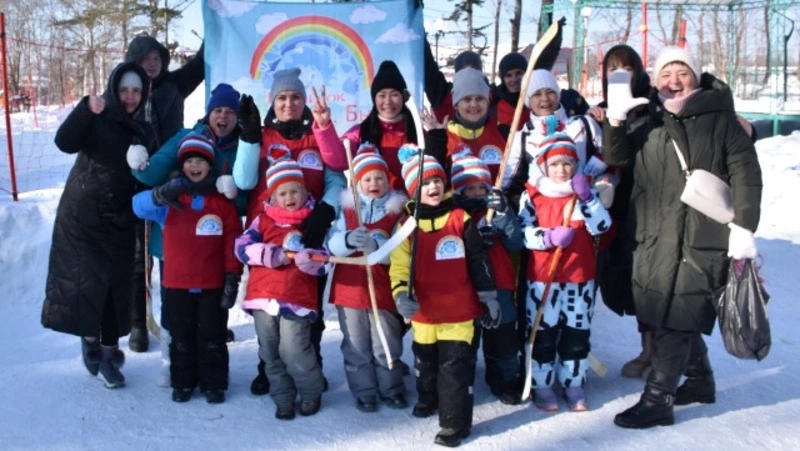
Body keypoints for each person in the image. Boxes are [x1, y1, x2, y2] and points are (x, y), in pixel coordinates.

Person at [604, 46, 762, 429]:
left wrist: (743, 229)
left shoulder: (721, 119)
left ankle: (658, 399)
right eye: (666, 74)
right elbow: (618, 157)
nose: (674, 82)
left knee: (679, 314)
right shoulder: (648, 117)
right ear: (655, 79)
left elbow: (746, 175)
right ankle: (701, 380)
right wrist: (615, 118)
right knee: (662, 311)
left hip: (701, 233)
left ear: (696, 76)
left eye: (682, 73)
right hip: (655, 232)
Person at [41, 62, 156, 388]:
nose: (131, 97)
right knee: (88, 286)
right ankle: (89, 339)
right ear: (113, 90)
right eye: (124, 90)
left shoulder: (144, 131)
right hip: (82, 219)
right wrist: (84, 109)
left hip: (120, 219)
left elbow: (148, 177)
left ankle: (108, 354)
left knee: (115, 291)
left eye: (137, 91)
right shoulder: (98, 118)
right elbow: (64, 141)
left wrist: (133, 212)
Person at [128, 83, 250, 389]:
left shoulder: (240, 147)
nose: (223, 117)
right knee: (175, 309)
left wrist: (234, 195)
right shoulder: (186, 137)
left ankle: (208, 370)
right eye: (218, 110)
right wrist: (140, 164)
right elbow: (150, 175)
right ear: (209, 113)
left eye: (230, 112)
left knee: (208, 312)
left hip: (212, 243)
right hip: (177, 237)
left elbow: (246, 199)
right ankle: (173, 365)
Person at [233, 67, 347, 391]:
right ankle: (268, 369)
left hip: (311, 232)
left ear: (304, 102)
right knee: (267, 307)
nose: (288, 103)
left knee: (307, 305)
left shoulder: (316, 136)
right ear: (272, 102)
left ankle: (311, 365)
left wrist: (324, 212)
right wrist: (248, 136)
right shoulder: (264, 136)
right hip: (268, 234)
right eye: (282, 97)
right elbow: (243, 180)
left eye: (295, 97)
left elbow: (337, 172)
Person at [390, 144, 499, 447]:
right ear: (413, 190)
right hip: (424, 312)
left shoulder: (460, 219)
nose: (433, 186)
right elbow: (398, 268)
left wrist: (488, 296)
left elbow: (479, 260)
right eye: (424, 183)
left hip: (459, 312)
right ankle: (428, 398)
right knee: (425, 364)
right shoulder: (406, 226)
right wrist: (401, 296)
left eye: (437, 180)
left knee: (454, 369)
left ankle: (454, 423)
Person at [518, 118, 611, 411]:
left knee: (576, 336)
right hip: (543, 278)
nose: (562, 170)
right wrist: (547, 237)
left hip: (579, 278)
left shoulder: (583, 193)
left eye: (568, 163)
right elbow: (522, 233)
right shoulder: (532, 194)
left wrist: (587, 199)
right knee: (543, 335)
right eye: (555, 164)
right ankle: (542, 385)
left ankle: (574, 384)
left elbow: (602, 226)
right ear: (545, 166)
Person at [124, 33, 206, 353]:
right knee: (137, 256)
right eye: (145, 59)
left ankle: (182, 318)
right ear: (133, 62)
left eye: (157, 57)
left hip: (172, 176)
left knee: (173, 250)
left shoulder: (173, 84)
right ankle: (138, 323)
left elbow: (199, 65)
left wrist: (215, 24)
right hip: (133, 178)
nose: (152, 63)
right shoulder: (125, 90)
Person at [234, 148, 329, 420]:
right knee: (270, 352)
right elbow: (241, 247)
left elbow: (325, 260)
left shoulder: (312, 223)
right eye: (283, 193)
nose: (290, 198)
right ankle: (283, 397)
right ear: (273, 196)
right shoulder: (261, 221)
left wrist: (309, 260)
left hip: (297, 298)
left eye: (295, 191)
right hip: (264, 296)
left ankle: (310, 392)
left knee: (295, 350)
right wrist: (267, 254)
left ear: (304, 192)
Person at [326, 143, 408, 412]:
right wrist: (349, 240)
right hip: (350, 289)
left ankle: (392, 388)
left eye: (380, 178)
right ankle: (364, 391)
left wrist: (379, 250)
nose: (374, 183)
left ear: (388, 180)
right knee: (356, 344)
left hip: (382, 289)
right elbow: (331, 245)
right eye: (368, 179)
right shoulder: (347, 211)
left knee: (386, 341)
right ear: (358, 183)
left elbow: (401, 251)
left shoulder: (397, 212)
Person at [450, 149, 523, 405]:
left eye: (482, 187)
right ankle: (462, 382)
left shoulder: (498, 211)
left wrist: (503, 216)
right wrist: (475, 238)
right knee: (467, 339)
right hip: (467, 286)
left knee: (502, 338)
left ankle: (504, 381)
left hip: (500, 283)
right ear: (459, 192)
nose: (478, 193)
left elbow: (515, 243)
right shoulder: (455, 216)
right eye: (470, 189)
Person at [313, 60, 428, 190]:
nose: (388, 102)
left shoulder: (417, 132)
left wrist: (438, 134)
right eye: (382, 95)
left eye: (394, 95)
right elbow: (339, 162)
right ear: (374, 99)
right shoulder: (360, 132)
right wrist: (324, 126)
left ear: (403, 97)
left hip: (411, 207)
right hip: (370, 207)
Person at [424, 67, 507, 183]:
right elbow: (431, 178)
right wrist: (435, 139)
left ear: (487, 102)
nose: (474, 104)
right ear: (456, 105)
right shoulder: (444, 137)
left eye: (479, 99)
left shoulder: (503, 132)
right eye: (467, 99)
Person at [489, 52, 530, 138]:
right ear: (503, 79)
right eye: (508, 75)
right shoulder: (495, 108)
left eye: (519, 73)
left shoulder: (536, 101)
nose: (514, 79)